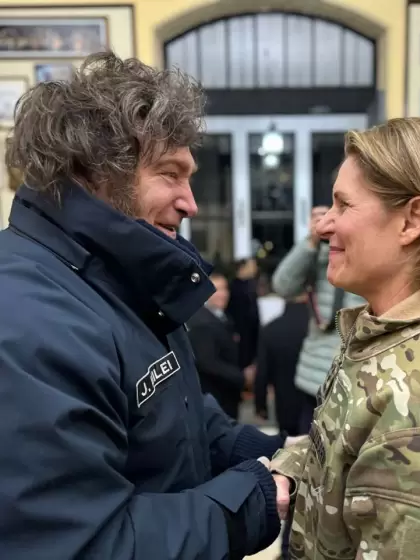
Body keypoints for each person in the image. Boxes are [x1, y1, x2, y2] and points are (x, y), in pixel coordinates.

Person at [0, 51, 291, 560]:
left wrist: (258, 451)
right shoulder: (27, 317)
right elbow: (85, 543)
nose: (191, 201)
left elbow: (163, 413)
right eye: (170, 174)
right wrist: (253, 499)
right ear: (95, 174)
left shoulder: (119, 278)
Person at [271, 117, 420, 559]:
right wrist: (289, 466)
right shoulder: (385, 332)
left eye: (343, 206)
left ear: (412, 220)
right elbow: (347, 447)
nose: (325, 227)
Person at [272, 207, 363, 433]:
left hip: (362, 382)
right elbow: (283, 285)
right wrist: (312, 241)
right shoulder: (324, 250)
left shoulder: (375, 249)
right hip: (316, 381)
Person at [188, 271, 245, 419]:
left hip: (224, 394)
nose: (223, 294)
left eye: (225, 289)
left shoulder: (221, 315)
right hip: (216, 397)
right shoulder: (202, 322)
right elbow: (207, 362)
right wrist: (240, 377)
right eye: (217, 289)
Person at [255, 293, 309, 435]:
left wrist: (261, 405)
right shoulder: (318, 329)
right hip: (317, 402)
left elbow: (262, 372)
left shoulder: (271, 329)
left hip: (285, 406)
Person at [226, 258, 260, 381]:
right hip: (239, 332)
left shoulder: (251, 285)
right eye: (252, 266)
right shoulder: (234, 287)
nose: (255, 269)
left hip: (251, 331)